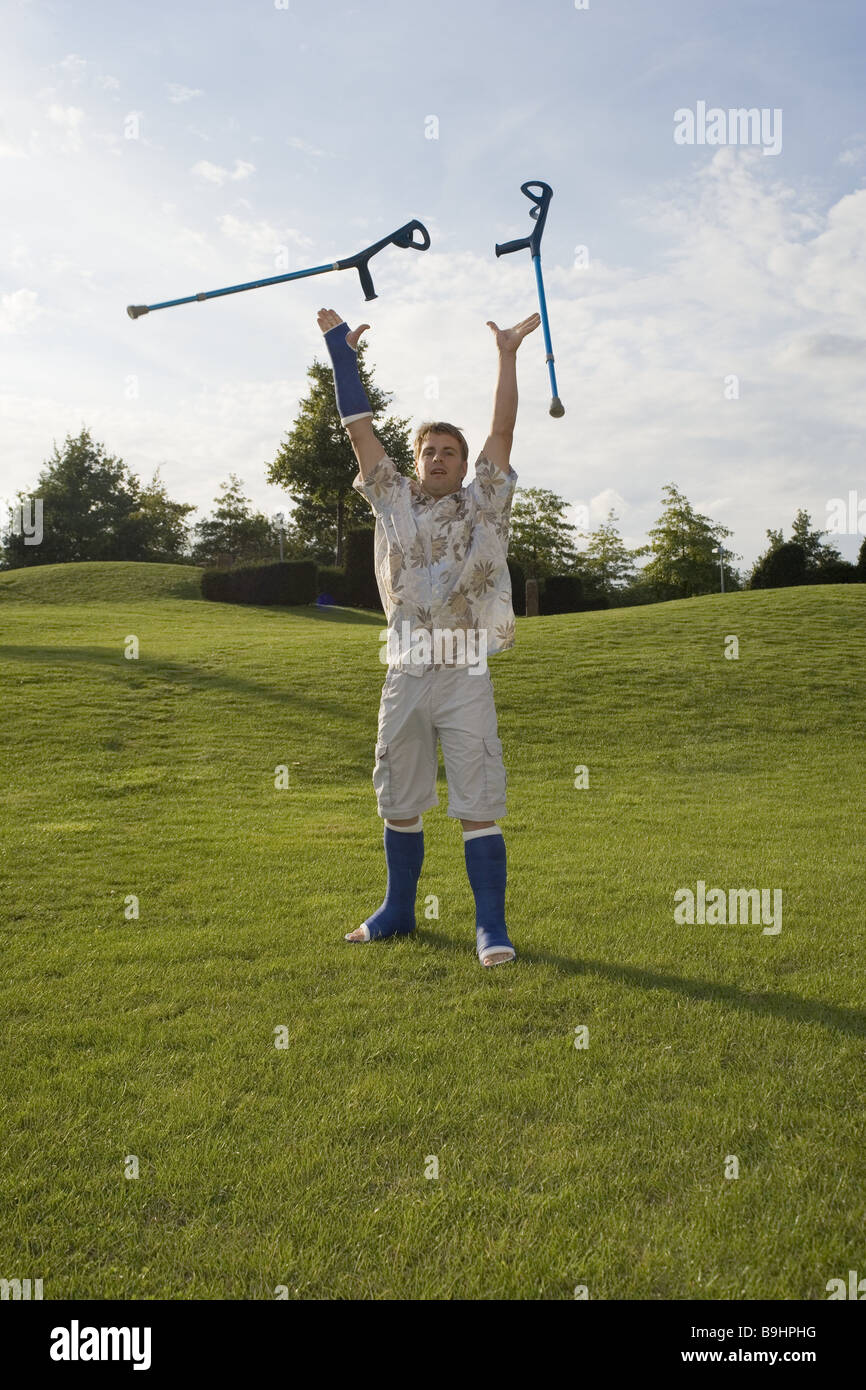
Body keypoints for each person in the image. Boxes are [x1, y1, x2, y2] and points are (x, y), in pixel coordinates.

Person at [317, 305, 540, 966]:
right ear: (415, 463)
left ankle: (490, 926)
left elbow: (503, 428)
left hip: (466, 670)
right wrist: (342, 354)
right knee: (400, 797)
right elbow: (359, 429)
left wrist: (507, 355)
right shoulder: (393, 499)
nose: (438, 458)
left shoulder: (484, 503)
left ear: (465, 464)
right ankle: (397, 911)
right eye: (428, 451)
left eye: (449, 452)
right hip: (407, 668)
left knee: (478, 800)